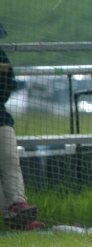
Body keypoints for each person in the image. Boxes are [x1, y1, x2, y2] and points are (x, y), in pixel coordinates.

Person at [0, 23, 46, 231]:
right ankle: (12, 215)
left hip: (1, 118)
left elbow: (7, 87)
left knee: (10, 159)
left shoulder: (1, 56)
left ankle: (18, 206)